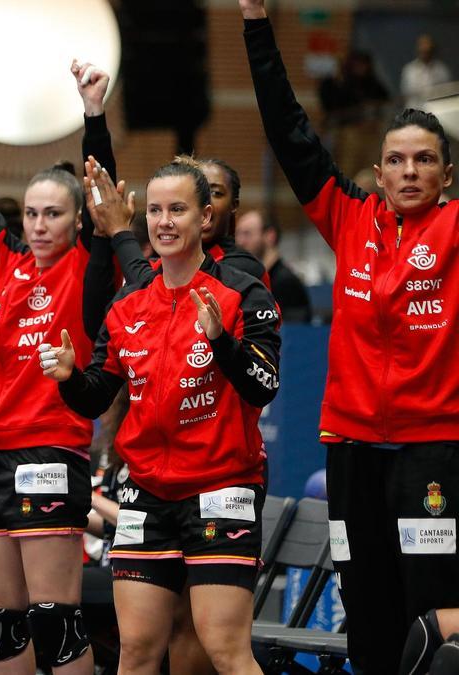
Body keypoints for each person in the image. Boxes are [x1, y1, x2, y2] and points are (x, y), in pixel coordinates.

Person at [241, 0, 459, 671]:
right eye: (398, 160)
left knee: (432, 619)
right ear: (380, 172)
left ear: (446, 175)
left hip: (433, 454)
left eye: (426, 160)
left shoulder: (456, 232)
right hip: (352, 452)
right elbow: (289, 131)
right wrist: (255, 26)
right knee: (367, 610)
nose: (412, 171)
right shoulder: (348, 216)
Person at [42, 157, 281, 675]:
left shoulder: (241, 293)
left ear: (204, 219)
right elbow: (97, 396)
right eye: (154, 211)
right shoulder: (129, 302)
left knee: (225, 650)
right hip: (146, 492)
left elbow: (264, 388)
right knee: (138, 652)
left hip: (223, 487)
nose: (165, 221)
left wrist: (221, 343)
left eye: (178, 209)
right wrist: (69, 378)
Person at [0, 57, 115, 675]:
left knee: (54, 620)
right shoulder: (6, 264)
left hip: (50, 454)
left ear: (77, 220)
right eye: (33, 214)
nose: (40, 225)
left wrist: (93, 114)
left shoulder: (88, 269)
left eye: (54, 214)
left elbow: (102, 194)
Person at [233, 210, 312, 322]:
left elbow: (294, 332)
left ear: (270, 236)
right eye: (238, 234)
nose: (240, 241)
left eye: (247, 234)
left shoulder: (286, 282)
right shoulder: (249, 280)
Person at [401, 34, 452, 110]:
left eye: (428, 50)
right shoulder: (409, 69)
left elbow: (447, 91)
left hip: (437, 111)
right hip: (415, 111)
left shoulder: (441, 69)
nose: (425, 50)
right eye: (422, 48)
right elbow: (406, 93)